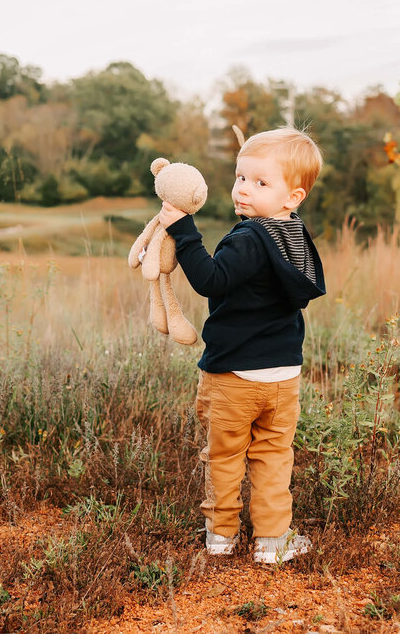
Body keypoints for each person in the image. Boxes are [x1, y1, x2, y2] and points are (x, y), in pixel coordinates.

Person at [158, 127, 325, 564]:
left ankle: (221, 536)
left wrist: (184, 231)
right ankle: (272, 543)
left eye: (260, 182)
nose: (243, 190)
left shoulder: (249, 238)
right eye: (240, 177)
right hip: (283, 376)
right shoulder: (294, 238)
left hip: (233, 376)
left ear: (293, 196)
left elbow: (210, 279)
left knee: (225, 455)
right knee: (273, 456)